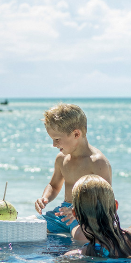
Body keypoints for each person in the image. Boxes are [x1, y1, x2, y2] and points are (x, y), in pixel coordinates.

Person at [34, 103, 111, 242]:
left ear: (76, 134)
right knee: (29, 225)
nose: (54, 144)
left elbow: (105, 199)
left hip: (88, 215)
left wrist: (80, 212)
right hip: (63, 212)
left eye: (57, 139)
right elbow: (54, 185)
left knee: (81, 237)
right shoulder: (62, 159)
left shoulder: (97, 162)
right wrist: (44, 198)